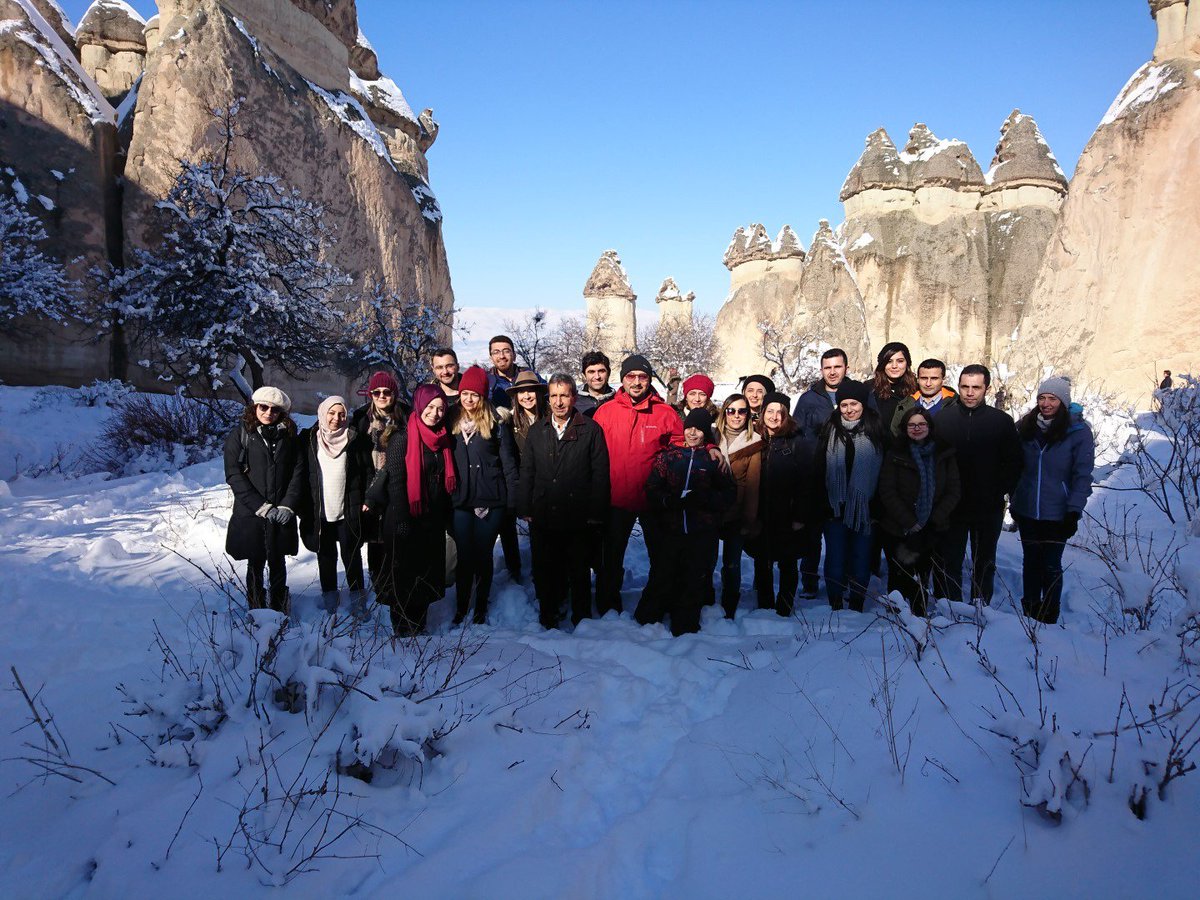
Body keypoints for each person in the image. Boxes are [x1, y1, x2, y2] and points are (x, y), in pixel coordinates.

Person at [593, 354, 684, 615]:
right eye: (631, 376)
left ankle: (653, 607)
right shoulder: (606, 412)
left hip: (652, 500)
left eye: (642, 376)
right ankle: (608, 606)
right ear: (622, 379)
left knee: (661, 557)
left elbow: (683, 448)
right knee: (610, 559)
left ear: (649, 380)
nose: (636, 382)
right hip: (616, 498)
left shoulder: (665, 413)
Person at [517, 374, 610, 629]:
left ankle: (581, 618)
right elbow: (527, 471)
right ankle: (549, 614)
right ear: (548, 399)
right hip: (544, 511)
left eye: (564, 395)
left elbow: (600, 474)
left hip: (577, 512)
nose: (559, 402)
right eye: (554, 396)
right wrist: (525, 506)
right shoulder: (538, 431)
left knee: (578, 568)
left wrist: (595, 511)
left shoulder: (590, 430)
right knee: (546, 568)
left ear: (574, 398)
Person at [363, 385, 456, 636]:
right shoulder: (401, 438)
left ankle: (420, 627)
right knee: (403, 577)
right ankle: (402, 631)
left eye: (440, 408)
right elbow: (395, 481)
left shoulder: (443, 439)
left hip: (431, 519)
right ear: (419, 405)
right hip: (404, 518)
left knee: (425, 575)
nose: (435, 413)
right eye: (430, 407)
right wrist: (403, 519)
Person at [640, 408, 735, 634]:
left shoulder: (713, 459)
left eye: (699, 430)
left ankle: (685, 624)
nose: (693, 433)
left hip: (700, 530)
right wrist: (668, 501)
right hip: (670, 528)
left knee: (693, 578)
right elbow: (652, 488)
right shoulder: (669, 456)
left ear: (706, 433)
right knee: (664, 573)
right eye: (689, 428)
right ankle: (649, 618)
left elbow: (729, 493)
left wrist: (706, 499)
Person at [934, 364, 1022, 604]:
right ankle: (949, 607)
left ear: (987, 389)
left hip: (988, 506)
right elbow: (934, 460)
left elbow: (1014, 463)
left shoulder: (1001, 422)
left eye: (976, 387)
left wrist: (999, 490)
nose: (970, 393)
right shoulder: (943, 419)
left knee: (984, 561)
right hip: (953, 506)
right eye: (964, 387)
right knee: (949, 560)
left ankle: (981, 607)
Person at [1010, 377, 1095, 624]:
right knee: (1030, 561)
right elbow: (1015, 465)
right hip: (1027, 509)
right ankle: (1029, 608)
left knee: (1051, 564)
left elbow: (1082, 475)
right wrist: (1015, 499)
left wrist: (1073, 511)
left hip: (1058, 512)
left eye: (1052, 399)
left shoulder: (1078, 432)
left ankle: (1049, 612)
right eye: (1042, 398)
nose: (1046, 403)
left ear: (1063, 401)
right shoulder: (1025, 426)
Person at [449, 365, 520, 624]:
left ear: (483, 396)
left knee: (482, 553)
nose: (469, 399)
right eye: (465, 393)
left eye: (475, 395)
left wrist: (513, 501)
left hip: (491, 498)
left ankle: (480, 607)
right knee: (464, 554)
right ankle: (461, 606)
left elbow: (509, 463)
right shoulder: (451, 419)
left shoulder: (497, 422)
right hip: (461, 499)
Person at [224, 387, 304, 613]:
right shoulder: (240, 435)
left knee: (278, 560)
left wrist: (288, 504)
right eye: (264, 407)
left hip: (281, 511)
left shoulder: (289, 438)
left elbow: (298, 473)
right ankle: (256, 607)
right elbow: (234, 474)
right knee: (255, 561)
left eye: (275, 410)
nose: (268, 413)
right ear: (255, 407)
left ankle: (279, 607)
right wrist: (261, 506)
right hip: (252, 513)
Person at [877, 407, 961, 616]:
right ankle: (896, 615)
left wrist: (933, 519)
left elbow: (953, 490)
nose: (917, 429)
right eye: (911, 425)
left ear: (929, 427)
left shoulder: (943, 453)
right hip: (898, 527)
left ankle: (919, 615)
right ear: (905, 428)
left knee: (922, 575)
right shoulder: (895, 453)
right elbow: (887, 490)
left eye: (921, 424)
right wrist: (909, 521)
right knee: (899, 574)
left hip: (933, 527)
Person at [815, 379, 886, 612]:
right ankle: (835, 602)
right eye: (844, 404)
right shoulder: (829, 430)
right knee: (835, 560)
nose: (849, 409)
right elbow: (819, 468)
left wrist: (876, 507)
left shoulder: (877, 431)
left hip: (866, 509)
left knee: (861, 560)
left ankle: (857, 603)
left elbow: (884, 473)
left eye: (854, 403)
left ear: (863, 404)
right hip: (834, 508)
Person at [748, 393, 818, 616]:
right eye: (770, 411)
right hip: (760, 513)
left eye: (780, 412)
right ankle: (765, 604)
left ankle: (785, 606)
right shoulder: (754, 439)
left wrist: (800, 516)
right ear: (763, 413)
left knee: (787, 563)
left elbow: (807, 483)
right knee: (762, 561)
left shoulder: (798, 441)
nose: (775, 417)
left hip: (787, 514)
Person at [299, 396, 372, 611]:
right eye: (332, 413)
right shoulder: (309, 439)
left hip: (347, 509)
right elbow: (300, 474)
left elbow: (368, 472)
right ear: (322, 414)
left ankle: (358, 598)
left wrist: (367, 498)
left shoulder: (355, 440)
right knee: (325, 555)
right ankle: (330, 596)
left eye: (341, 414)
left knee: (352, 554)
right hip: (319, 511)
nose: (336, 419)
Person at [794, 350, 854, 599]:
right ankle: (809, 581)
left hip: (849, 473)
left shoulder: (857, 394)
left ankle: (844, 581)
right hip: (815, 474)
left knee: (843, 533)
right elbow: (797, 433)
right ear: (821, 370)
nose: (832, 371)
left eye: (837, 366)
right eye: (827, 367)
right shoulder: (809, 399)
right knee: (812, 533)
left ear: (846, 368)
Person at [351, 371, 409, 604]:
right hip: (370, 485)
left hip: (397, 484)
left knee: (397, 539)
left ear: (394, 393)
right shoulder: (360, 417)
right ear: (371, 394)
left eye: (387, 392)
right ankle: (379, 588)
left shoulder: (406, 415)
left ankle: (398, 586)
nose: (382, 396)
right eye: (377, 392)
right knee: (374, 541)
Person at [714, 393, 764, 618]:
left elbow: (753, 485)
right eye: (731, 410)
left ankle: (729, 606)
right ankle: (704, 600)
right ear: (724, 412)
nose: (736, 416)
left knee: (731, 564)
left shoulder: (753, 443)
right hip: (710, 510)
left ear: (748, 415)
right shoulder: (712, 436)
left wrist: (748, 519)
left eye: (742, 411)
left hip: (736, 510)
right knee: (705, 560)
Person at [500, 370, 549, 582]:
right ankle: (518, 572)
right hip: (525, 482)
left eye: (531, 391)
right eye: (521, 392)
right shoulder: (509, 422)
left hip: (550, 483)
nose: (526, 396)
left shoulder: (550, 416)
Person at [890, 358, 958, 434]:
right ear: (918, 380)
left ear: (943, 380)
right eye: (924, 378)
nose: (928, 384)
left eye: (934, 378)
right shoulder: (905, 405)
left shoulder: (956, 404)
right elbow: (896, 433)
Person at [870, 342, 917, 433]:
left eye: (900, 361)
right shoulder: (870, 389)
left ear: (907, 363)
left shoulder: (917, 388)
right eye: (889, 361)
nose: (894, 366)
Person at [486, 334, 534, 409]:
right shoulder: (486, 381)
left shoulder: (528, 374)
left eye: (506, 351)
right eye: (496, 352)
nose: (502, 356)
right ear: (491, 358)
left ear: (514, 356)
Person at [576, 350, 615, 417]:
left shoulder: (618, 400)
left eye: (601, 371)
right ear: (584, 375)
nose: (597, 377)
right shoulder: (574, 401)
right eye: (591, 372)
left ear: (608, 373)